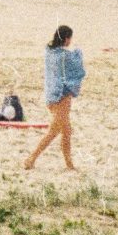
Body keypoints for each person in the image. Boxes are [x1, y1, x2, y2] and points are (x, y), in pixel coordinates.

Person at [24, 25, 85, 171]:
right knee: (55, 131)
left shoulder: (49, 52)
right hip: (61, 97)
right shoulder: (64, 56)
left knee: (66, 131)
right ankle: (31, 158)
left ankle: (69, 164)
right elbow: (77, 67)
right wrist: (78, 51)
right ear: (66, 39)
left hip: (50, 96)